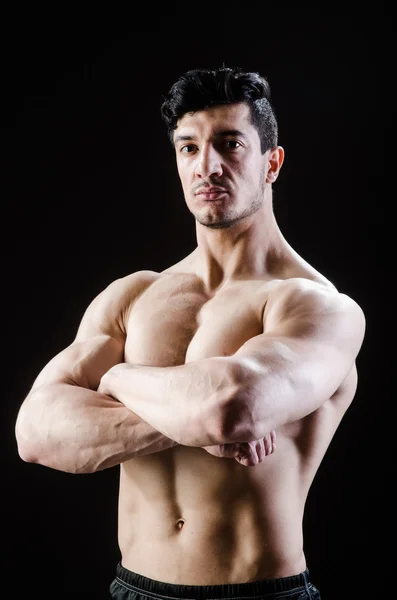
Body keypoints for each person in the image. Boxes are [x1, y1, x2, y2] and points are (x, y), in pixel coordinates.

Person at [15, 66, 366, 600]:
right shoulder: (135, 295)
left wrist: (117, 376)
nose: (208, 166)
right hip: (132, 587)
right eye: (188, 148)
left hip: (259, 593)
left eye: (230, 144)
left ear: (273, 163)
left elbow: (232, 409)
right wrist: (195, 416)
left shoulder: (319, 307)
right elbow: (36, 433)